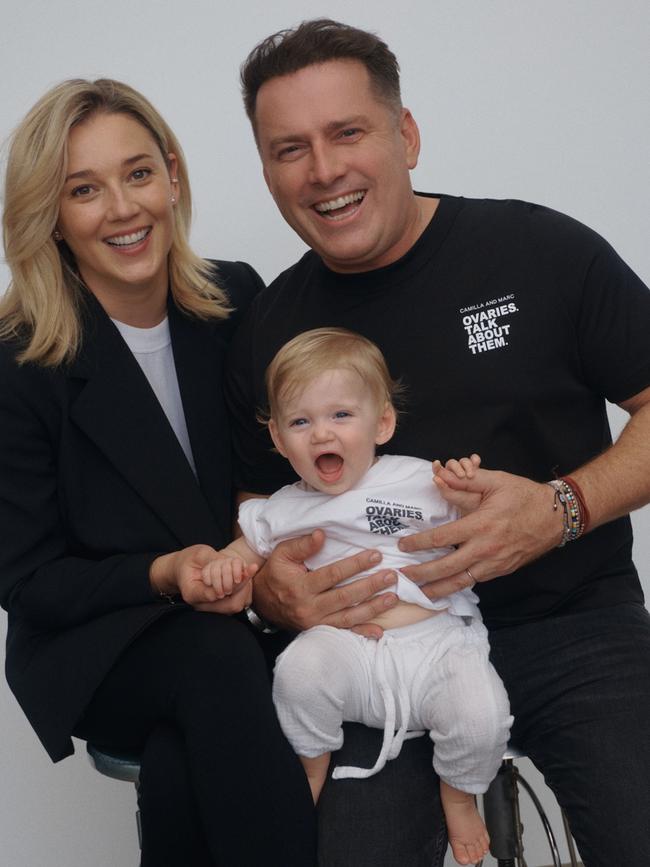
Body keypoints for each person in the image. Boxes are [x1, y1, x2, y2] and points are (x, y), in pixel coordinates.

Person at [227, 18, 650, 867]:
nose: (324, 171)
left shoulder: (541, 251)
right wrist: (275, 592)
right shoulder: (269, 326)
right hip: (374, 645)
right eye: (289, 148)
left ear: (405, 134)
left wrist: (562, 508)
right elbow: (252, 501)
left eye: (347, 132)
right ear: (268, 168)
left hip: (573, 626)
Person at [0, 78, 316, 867]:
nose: (122, 208)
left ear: (173, 176)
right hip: (101, 640)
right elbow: (28, 578)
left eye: (138, 173)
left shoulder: (238, 297)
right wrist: (168, 573)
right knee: (213, 662)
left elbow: (299, 454)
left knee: (182, 763)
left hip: (244, 620)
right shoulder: (17, 361)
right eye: (84, 189)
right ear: (52, 216)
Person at [204, 327, 512, 866]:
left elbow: (479, 524)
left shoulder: (418, 480)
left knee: (483, 713)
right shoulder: (283, 506)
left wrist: (467, 491)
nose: (322, 433)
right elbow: (247, 549)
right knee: (299, 670)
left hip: (436, 645)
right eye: (301, 421)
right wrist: (226, 564)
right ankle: (311, 760)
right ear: (277, 438)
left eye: (341, 416)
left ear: (383, 423)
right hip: (349, 653)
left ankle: (460, 793)